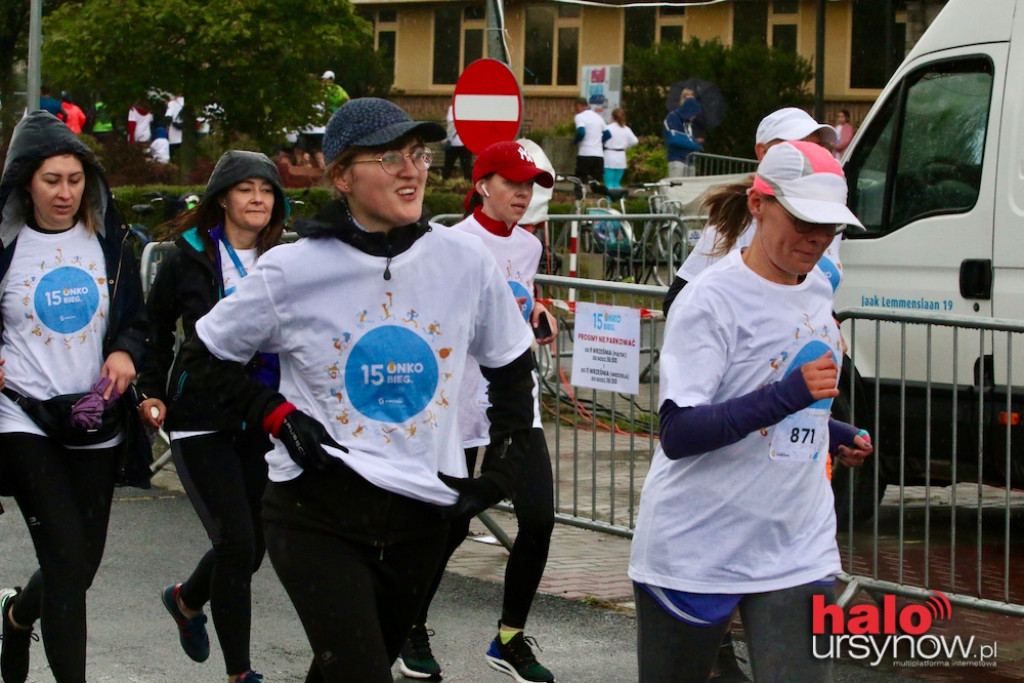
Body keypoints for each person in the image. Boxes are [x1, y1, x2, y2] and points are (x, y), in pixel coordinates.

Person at [173, 97, 538, 683]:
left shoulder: (463, 260)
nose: (412, 169)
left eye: (418, 154)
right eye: (390, 156)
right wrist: (276, 415)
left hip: (424, 510)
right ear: (342, 176)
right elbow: (201, 357)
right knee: (362, 673)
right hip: (317, 510)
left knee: (346, 667)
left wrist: (504, 469)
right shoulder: (292, 268)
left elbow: (512, 364)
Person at [629, 140, 874, 683]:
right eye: (804, 219)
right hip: (699, 546)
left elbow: (779, 402)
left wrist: (832, 433)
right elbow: (680, 430)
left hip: (797, 543)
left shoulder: (815, 291)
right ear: (759, 203)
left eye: (830, 226)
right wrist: (787, 395)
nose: (817, 238)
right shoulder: (710, 301)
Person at [399, 141, 558, 683]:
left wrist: (536, 312)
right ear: (483, 184)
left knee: (539, 519)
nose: (522, 193)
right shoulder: (445, 243)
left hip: (514, 406)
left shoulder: (530, 247)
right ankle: (409, 624)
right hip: (456, 406)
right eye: (512, 182)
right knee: (449, 525)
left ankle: (509, 637)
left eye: (530, 184)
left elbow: (515, 303)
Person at [0, 110, 148, 683]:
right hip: (21, 415)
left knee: (79, 565)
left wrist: (126, 351)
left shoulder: (111, 241)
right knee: (64, 558)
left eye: (75, 179)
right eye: (51, 180)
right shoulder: (6, 244)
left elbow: (138, 320)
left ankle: (16, 616)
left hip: (94, 416)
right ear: (25, 182)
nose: (65, 193)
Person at [138, 151, 287, 683]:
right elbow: (153, 329)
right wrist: (149, 390)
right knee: (235, 543)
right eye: (246, 189)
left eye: (266, 191)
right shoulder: (187, 256)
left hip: (262, 415)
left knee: (253, 548)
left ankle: (185, 599)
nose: (257, 200)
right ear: (222, 197)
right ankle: (240, 674)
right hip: (200, 416)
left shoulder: (286, 257)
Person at [663, 107, 839, 315]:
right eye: (797, 147)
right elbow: (677, 301)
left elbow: (810, 296)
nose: (810, 156)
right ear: (763, 153)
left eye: (818, 147)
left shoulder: (829, 213)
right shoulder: (742, 217)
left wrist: (830, 326)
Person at [664, 89, 704, 178]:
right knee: (676, 187)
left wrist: (694, 141)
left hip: (690, 160)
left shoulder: (688, 122)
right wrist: (695, 144)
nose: (694, 116)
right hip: (677, 158)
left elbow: (686, 138)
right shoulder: (672, 117)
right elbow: (674, 139)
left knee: (688, 188)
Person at [573, 97, 609, 182]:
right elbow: (608, 134)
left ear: (579, 106)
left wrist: (576, 141)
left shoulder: (579, 116)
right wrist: (600, 143)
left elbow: (581, 132)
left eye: (575, 107)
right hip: (598, 155)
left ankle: (580, 195)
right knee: (596, 182)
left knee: (579, 181)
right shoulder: (598, 117)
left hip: (585, 153)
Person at [603, 107, 639, 189]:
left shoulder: (608, 128)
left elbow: (601, 140)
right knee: (617, 182)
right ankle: (620, 199)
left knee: (609, 182)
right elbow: (635, 141)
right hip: (621, 157)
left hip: (609, 155)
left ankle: (610, 200)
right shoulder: (626, 129)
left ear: (612, 117)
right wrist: (626, 145)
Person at [441, 103, 472, 181]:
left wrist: (447, 139)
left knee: (448, 165)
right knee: (466, 166)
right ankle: (468, 184)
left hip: (453, 143)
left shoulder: (453, 108)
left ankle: (443, 182)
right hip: (466, 142)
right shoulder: (469, 109)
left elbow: (452, 125)